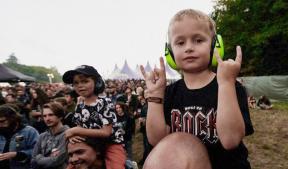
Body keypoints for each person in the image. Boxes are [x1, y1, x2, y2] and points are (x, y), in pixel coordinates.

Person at [140, 9, 254, 169]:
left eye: (198, 40)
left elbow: (231, 140)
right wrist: (155, 95)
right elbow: (157, 140)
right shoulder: (169, 93)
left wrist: (226, 84)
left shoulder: (231, 86)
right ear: (170, 53)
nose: (189, 48)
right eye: (180, 43)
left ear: (215, 45)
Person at [62, 65, 126, 169]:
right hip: (89, 144)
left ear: (97, 82)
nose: (80, 85)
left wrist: (75, 130)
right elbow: (79, 128)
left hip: (111, 144)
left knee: (116, 166)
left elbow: (106, 132)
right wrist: (73, 136)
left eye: (85, 81)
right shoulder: (80, 105)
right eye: (76, 83)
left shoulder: (105, 102)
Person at [0, 104, 39, 169]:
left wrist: (18, 154)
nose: (0, 124)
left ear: (12, 119)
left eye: (2, 121)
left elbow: (38, 151)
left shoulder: (29, 131)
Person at [31, 102, 69, 169]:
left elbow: (56, 161)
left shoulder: (68, 134)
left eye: (51, 115)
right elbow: (33, 159)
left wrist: (39, 158)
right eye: (44, 116)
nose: (47, 119)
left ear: (60, 116)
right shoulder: (42, 136)